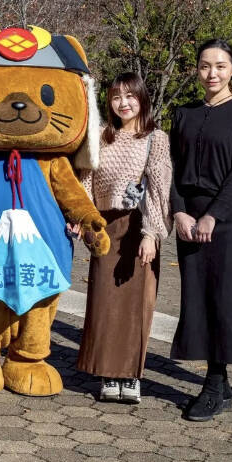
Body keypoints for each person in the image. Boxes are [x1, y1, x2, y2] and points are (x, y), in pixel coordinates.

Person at [169, 39, 232, 422]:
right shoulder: (183, 114)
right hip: (189, 216)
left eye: (221, 66)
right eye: (205, 66)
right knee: (197, 299)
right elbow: (167, 166)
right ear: (196, 69)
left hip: (227, 220)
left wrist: (214, 215)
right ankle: (220, 386)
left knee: (225, 298)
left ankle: (214, 383)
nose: (212, 74)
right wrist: (178, 212)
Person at [76, 73, 172, 404]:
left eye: (130, 96)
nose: (124, 103)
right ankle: (106, 372)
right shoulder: (101, 137)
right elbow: (86, 178)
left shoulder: (155, 138)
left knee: (137, 305)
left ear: (142, 99)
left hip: (138, 227)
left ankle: (131, 376)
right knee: (104, 302)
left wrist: (151, 234)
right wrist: (86, 219)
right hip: (106, 226)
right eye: (117, 97)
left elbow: (159, 188)